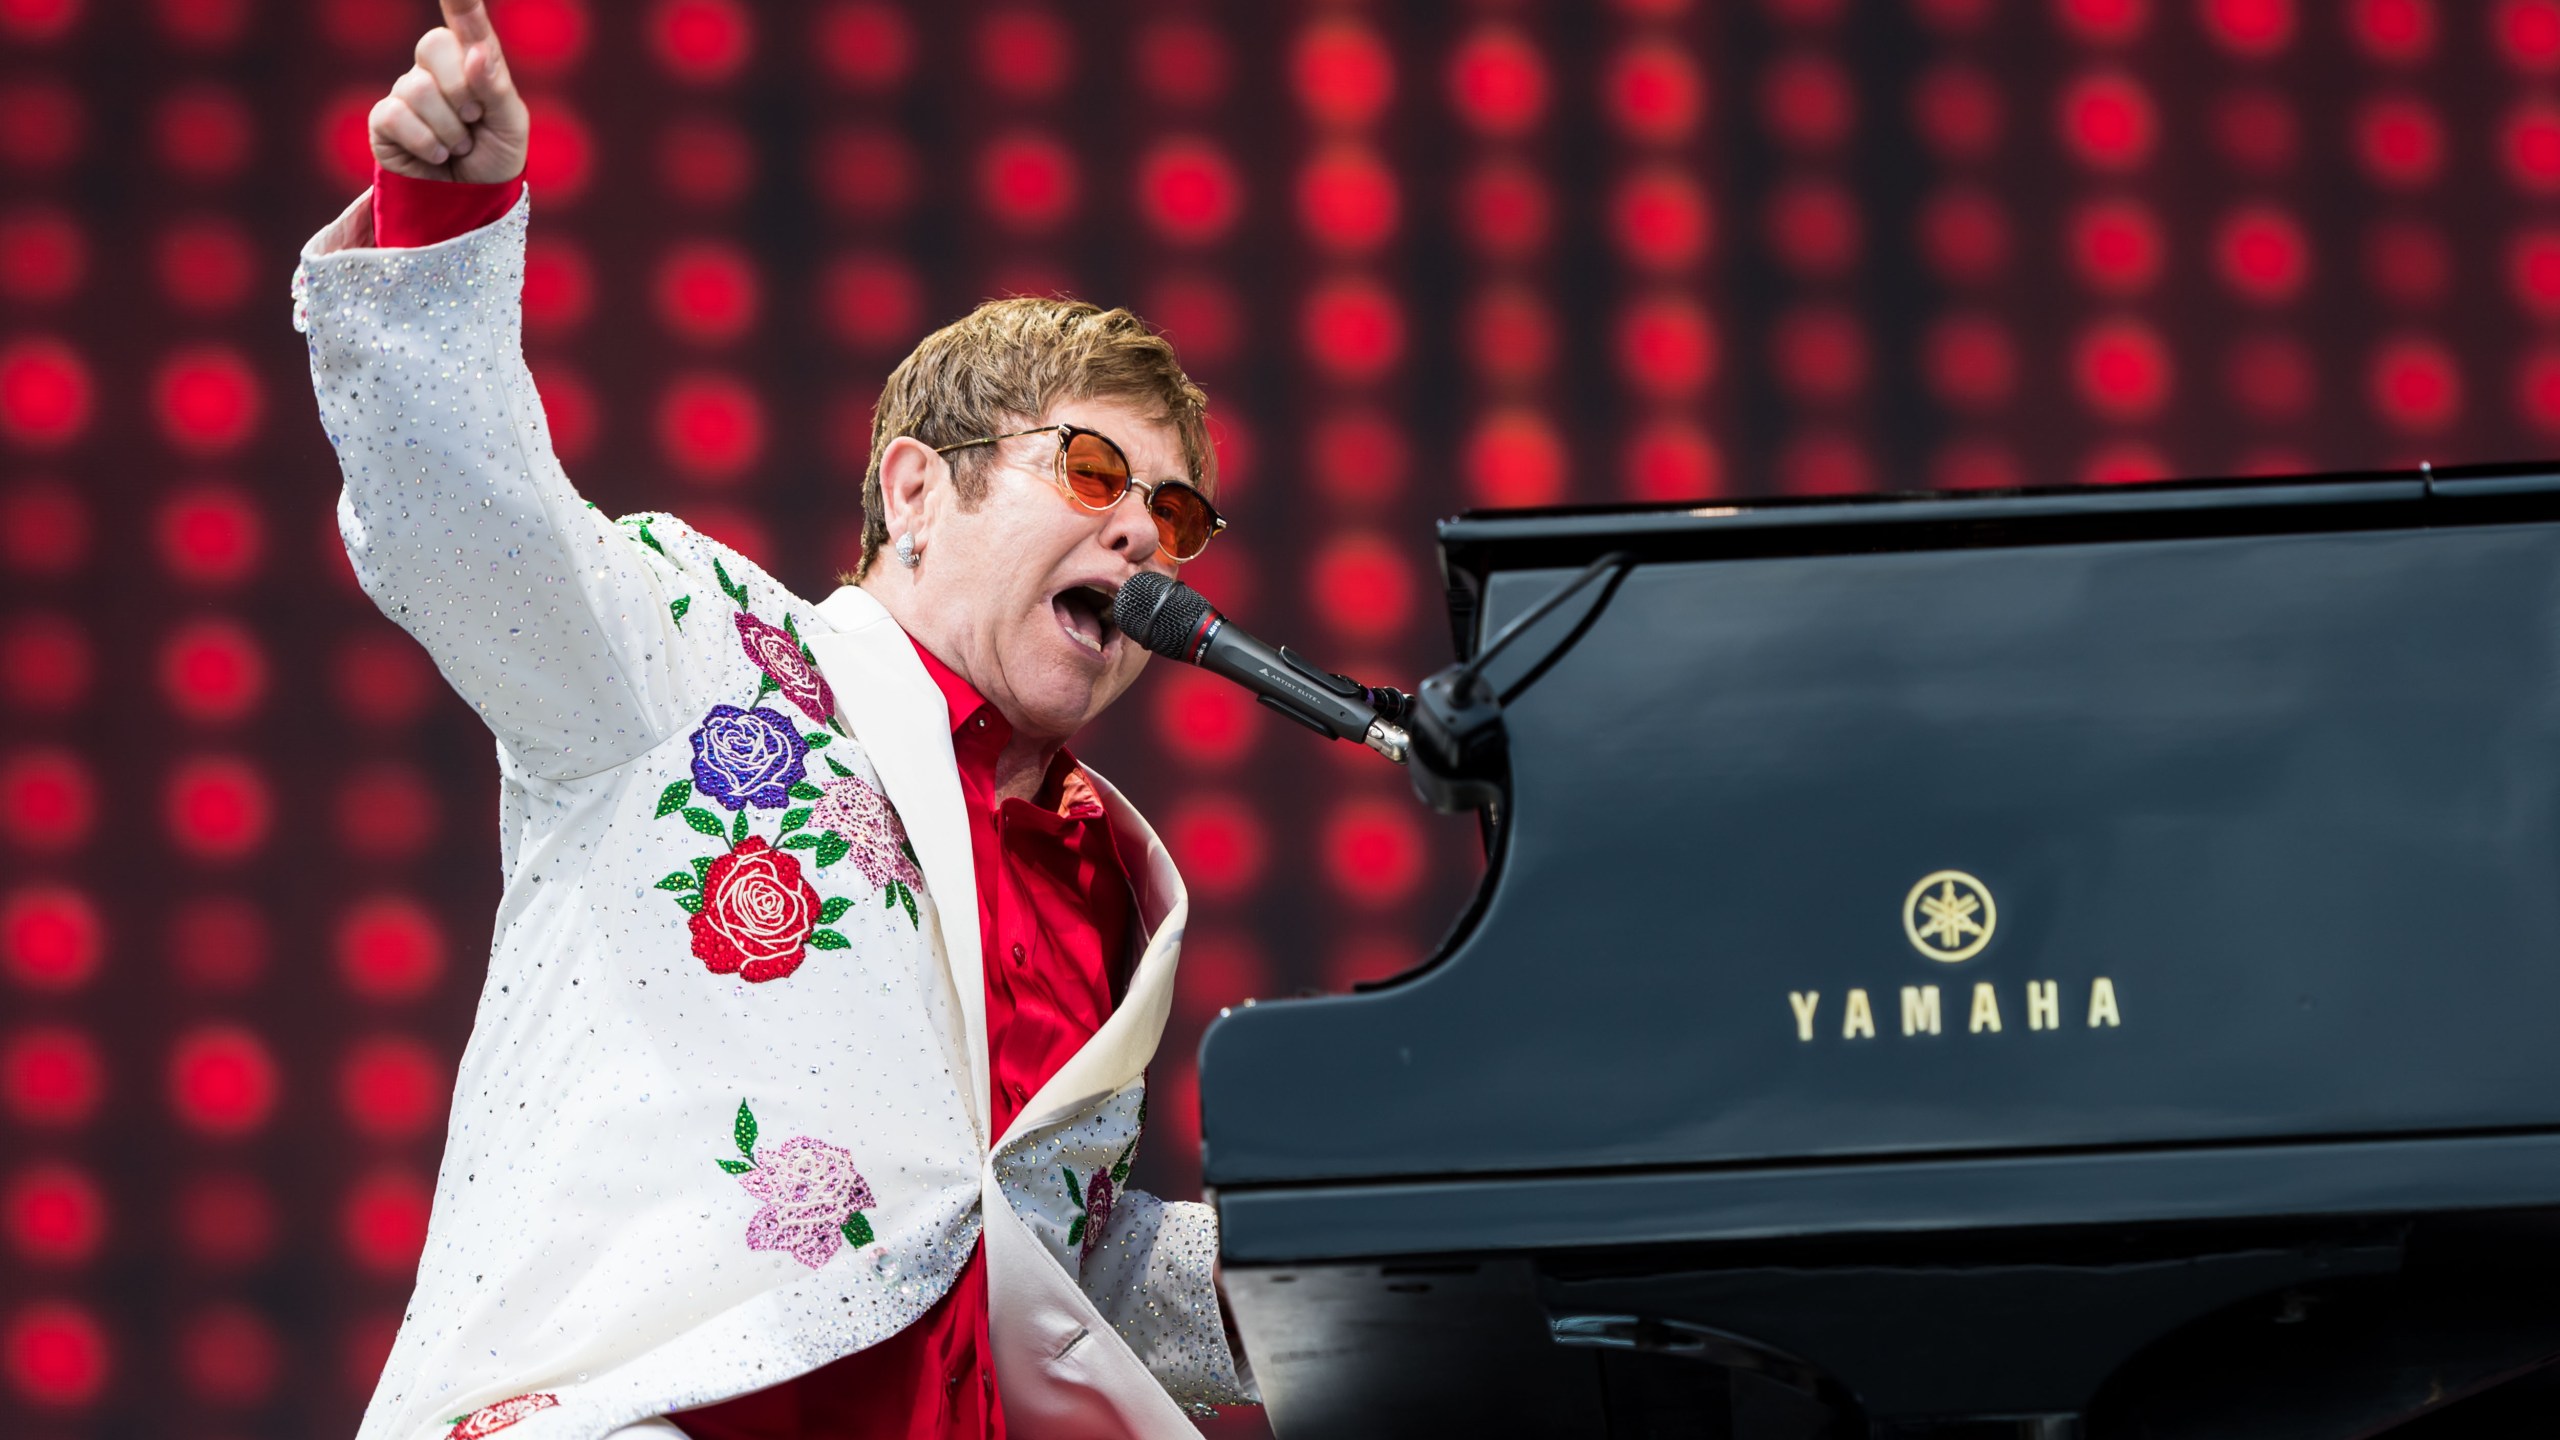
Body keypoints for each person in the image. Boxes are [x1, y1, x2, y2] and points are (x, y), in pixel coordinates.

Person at [295, 2, 1257, 1436]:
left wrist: (1372, 1254)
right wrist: (448, 213)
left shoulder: (1102, 883)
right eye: (1094, 474)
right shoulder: (702, 649)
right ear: (918, 490)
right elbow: (470, 527)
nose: (1140, 538)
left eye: (1172, 514)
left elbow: (1025, 1258)